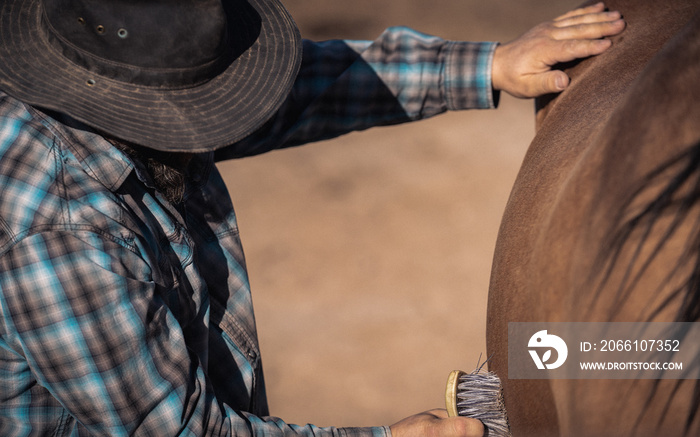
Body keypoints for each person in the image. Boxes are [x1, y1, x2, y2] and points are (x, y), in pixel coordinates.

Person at [0, 0, 624, 435]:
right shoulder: (57, 233)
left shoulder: (103, 87)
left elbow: (293, 91)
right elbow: (182, 432)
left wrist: (485, 63)